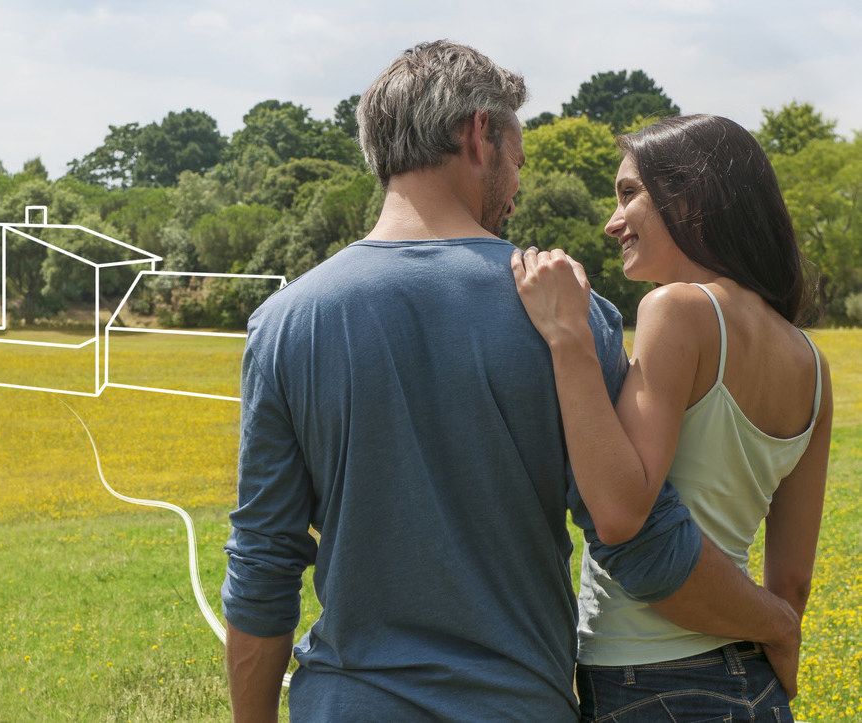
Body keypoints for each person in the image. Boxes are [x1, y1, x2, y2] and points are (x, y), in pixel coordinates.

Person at [221, 41, 799, 722]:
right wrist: (774, 620)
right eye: (518, 161)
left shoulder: (284, 321)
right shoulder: (566, 309)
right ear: (478, 134)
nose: (517, 186)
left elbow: (262, 560)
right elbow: (636, 540)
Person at [511, 114, 832, 720]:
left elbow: (619, 511)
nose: (612, 224)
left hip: (646, 683)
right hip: (752, 681)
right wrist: (779, 657)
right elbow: (790, 584)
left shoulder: (677, 310)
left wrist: (566, 336)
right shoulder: (811, 362)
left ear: (693, 196)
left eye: (628, 194)